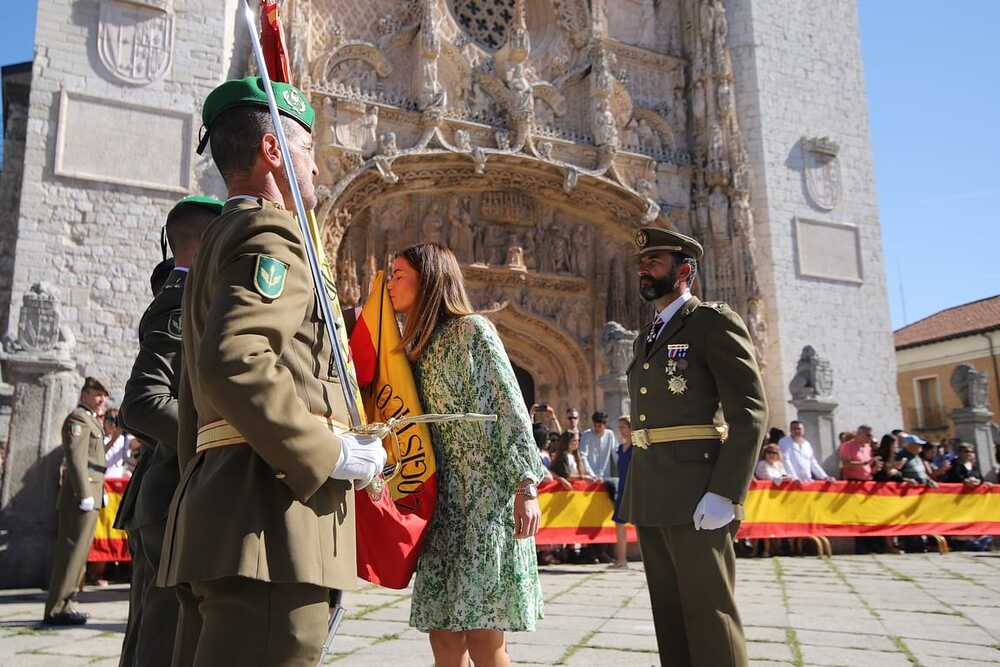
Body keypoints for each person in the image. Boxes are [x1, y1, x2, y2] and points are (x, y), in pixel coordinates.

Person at [157, 77, 386, 666]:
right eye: (309, 150)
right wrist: (327, 451)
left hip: (226, 513)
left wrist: (198, 491)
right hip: (271, 524)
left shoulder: (217, 240)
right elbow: (234, 362)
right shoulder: (272, 233)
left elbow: (194, 394)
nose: (317, 166)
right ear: (274, 152)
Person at [386, 242, 544, 667]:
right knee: (443, 636)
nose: (390, 282)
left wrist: (526, 485)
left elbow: (510, 408)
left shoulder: (473, 330)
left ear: (429, 279)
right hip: (441, 502)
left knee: (484, 638)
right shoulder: (411, 347)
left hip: (483, 501)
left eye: (398, 274)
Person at [620, 227, 767, 667]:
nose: (644, 270)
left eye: (655, 262)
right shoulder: (646, 336)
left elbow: (751, 413)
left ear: (684, 270)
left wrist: (726, 491)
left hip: (698, 487)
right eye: (641, 263)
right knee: (669, 610)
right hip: (652, 487)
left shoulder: (712, 322)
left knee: (709, 609)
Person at [116, 195, 223, 667]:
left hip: (167, 493)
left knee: (155, 636)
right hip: (170, 495)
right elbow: (142, 404)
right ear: (207, 244)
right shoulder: (180, 298)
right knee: (162, 640)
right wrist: (219, 442)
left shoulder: (188, 295)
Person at [43, 377, 110, 626]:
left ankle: (67, 603)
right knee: (70, 553)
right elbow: (76, 459)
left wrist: (97, 491)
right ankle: (56, 608)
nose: (101, 399)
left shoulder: (91, 419)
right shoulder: (78, 419)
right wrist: (84, 492)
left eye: (103, 395)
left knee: (80, 554)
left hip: (91, 495)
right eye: (97, 394)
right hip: (79, 497)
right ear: (84, 394)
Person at [611, 416, 634, 568]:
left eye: (623, 427)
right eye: (619, 427)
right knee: (619, 524)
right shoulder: (620, 448)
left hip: (634, 490)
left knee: (640, 525)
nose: (621, 430)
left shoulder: (636, 448)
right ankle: (621, 560)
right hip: (622, 489)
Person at [580, 411, 618, 481]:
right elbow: (583, 456)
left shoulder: (610, 434)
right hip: (590, 478)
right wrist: (591, 474)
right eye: (595, 426)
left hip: (606, 476)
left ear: (605, 425)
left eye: (599, 426)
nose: (597, 428)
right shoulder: (586, 435)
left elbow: (615, 453)